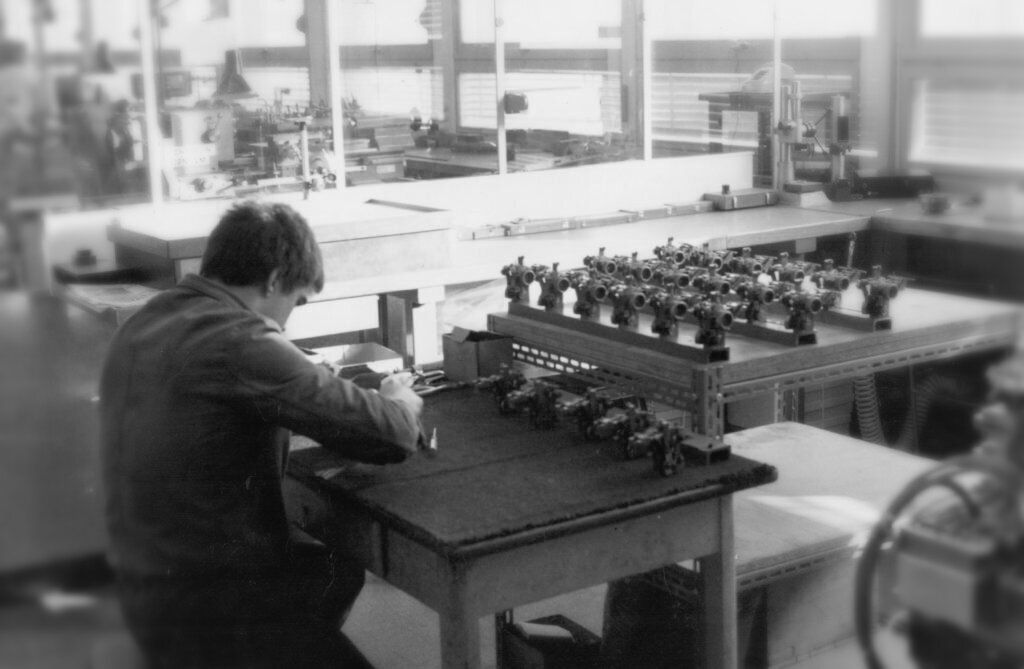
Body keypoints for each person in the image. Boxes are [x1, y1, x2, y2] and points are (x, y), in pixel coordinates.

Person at [100, 200, 425, 668]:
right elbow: (392, 435)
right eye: (296, 300)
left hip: (144, 585)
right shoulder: (238, 339)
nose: (288, 321)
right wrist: (400, 400)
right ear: (273, 280)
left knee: (335, 567)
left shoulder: (145, 322)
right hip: (213, 606)